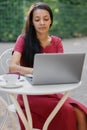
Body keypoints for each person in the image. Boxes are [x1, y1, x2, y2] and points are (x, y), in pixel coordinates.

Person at [9, 2, 87, 130]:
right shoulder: (23, 40)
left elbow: (61, 69)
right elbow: (12, 67)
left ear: (51, 20)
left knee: (81, 113)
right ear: (32, 22)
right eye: (37, 19)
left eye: (46, 19)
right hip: (29, 94)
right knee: (68, 111)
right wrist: (37, 71)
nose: (42, 23)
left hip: (51, 92)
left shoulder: (57, 42)